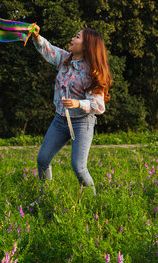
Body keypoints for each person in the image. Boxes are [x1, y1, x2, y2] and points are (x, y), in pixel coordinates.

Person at [31, 24, 112, 195]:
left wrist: (78, 103)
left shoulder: (93, 71)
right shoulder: (65, 59)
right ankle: (45, 198)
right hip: (60, 120)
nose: (72, 38)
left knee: (78, 166)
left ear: (87, 45)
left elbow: (98, 105)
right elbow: (49, 50)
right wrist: (37, 37)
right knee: (43, 159)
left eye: (77, 36)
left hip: (83, 122)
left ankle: (92, 201)